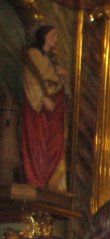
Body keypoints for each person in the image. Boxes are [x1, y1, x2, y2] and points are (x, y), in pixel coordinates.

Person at [21, 24, 68, 191]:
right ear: (44, 36)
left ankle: (51, 181)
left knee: (55, 141)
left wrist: (63, 75)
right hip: (39, 107)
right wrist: (42, 99)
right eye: (53, 35)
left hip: (55, 105)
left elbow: (61, 85)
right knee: (37, 142)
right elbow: (30, 79)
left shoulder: (52, 59)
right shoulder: (33, 54)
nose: (56, 39)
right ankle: (36, 179)